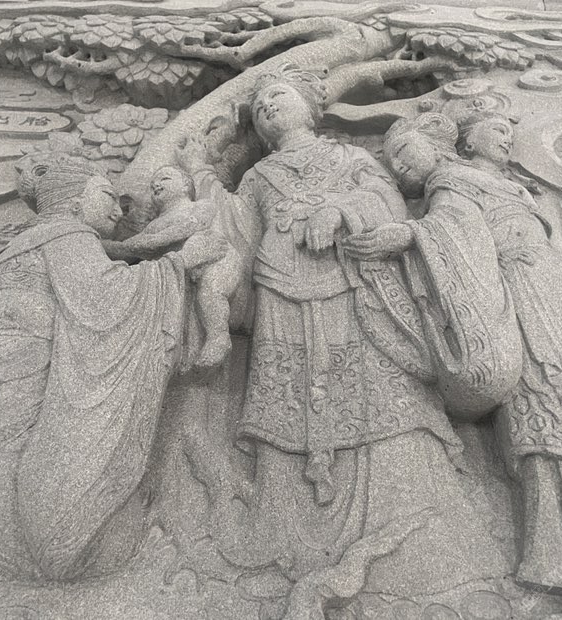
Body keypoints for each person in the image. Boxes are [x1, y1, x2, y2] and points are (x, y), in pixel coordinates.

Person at [179, 68, 522, 605]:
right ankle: (287, 541)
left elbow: (386, 201)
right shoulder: (257, 177)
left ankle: (413, 530)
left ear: (309, 107)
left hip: (355, 283)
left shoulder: (349, 156)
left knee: (382, 392)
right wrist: (200, 172)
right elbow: (237, 229)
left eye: (279, 95)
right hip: (281, 291)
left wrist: (341, 209)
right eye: (260, 105)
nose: (268, 106)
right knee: (288, 400)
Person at [356, 109, 562, 604]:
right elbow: (453, 226)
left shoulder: (485, 179)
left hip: (548, 283)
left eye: (405, 151)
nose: (401, 166)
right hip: (522, 286)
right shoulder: (450, 182)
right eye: (395, 159)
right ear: (467, 143)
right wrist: (411, 233)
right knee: (554, 395)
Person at [0, 148, 223, 587]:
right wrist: (179, 263)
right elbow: (104, 298)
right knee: (24, 485)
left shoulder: (22, 243)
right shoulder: (67, 236)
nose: (117, 209)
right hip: (17, 371)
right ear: (74, 201)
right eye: (106, 195)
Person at [108, 165, 241, 368]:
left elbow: (192, 226)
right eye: (153, 184)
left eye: (165, 179)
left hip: (218, 258)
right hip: (184, 270)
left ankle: (218, 337)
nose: (156, 184)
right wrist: (100, 244)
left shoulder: (201, 206)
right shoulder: (153, 226)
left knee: (211, 292)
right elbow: (128, 249)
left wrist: (150, 243)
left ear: (185, 185)